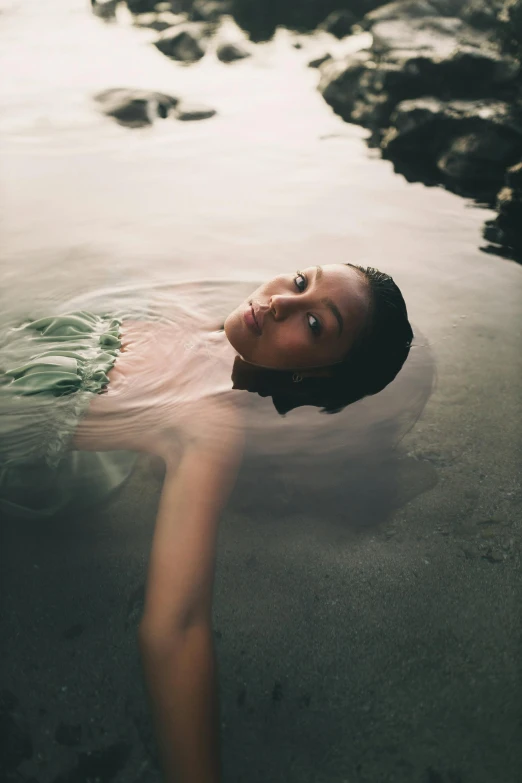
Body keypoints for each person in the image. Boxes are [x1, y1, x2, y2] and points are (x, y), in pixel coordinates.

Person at [0, 262, 412, 783]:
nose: (281, 302)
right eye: (301, 281)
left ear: (319, 374)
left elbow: (177, 626)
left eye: (314, 325)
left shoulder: (210, 426)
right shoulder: (189, 315)